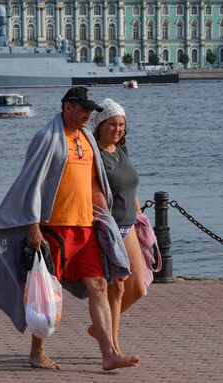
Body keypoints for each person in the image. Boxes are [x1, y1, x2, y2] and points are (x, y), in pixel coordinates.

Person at [0, 86, 140, 371]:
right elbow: (30, 183)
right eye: (81, 109)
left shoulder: (86, 138)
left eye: (89, 111)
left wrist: (104, 215)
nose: (86, 115)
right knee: (47, 290)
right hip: (54, 229)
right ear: (67, 107)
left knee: (98, 285)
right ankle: (37, 351)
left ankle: (108, 353)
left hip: (87, 227)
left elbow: (94, 180)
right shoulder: (47, 138)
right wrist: (33, 226)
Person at [90, 98, 147, 354]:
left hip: (129, 224)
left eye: (121, 124)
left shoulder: (122, 150)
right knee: (118, 288)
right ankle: (113, 347)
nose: (117, 129)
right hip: (109, 227)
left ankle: (99, 327)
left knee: (138, 287)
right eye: (112, 124)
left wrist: (139, 214)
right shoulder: (95, 155)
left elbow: (129, 182)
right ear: (100, 125)